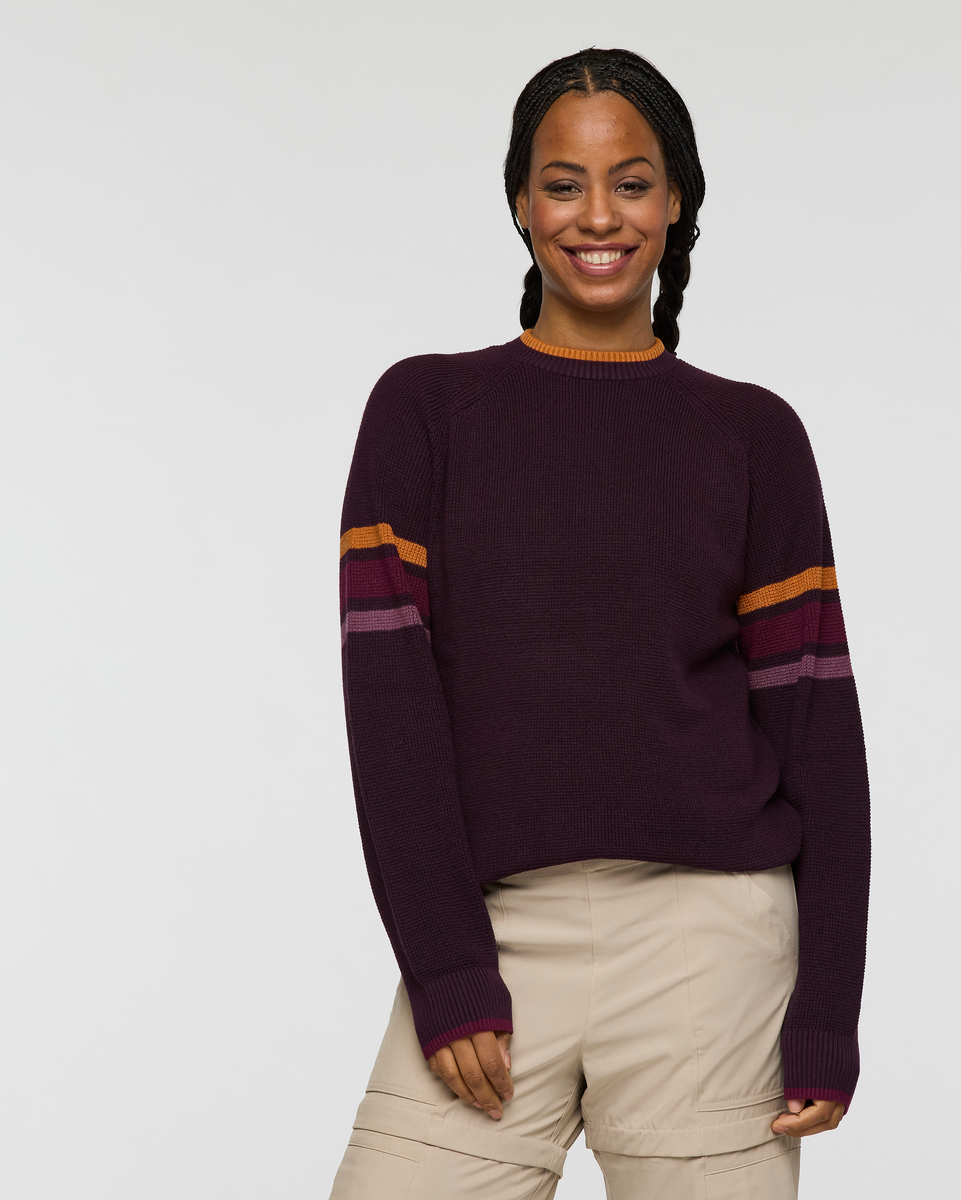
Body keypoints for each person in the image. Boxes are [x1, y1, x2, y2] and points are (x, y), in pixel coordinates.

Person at [329, 47, 870, 1200]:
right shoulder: (425, 411)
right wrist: (446, 965)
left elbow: (817, 730)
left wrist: (828, 1008)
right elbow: (391, 708)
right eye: (563, 184)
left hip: (709, 944)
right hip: (494, 926)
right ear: (520, 202)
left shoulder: (753, 436)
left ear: (677, 202)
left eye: (632, 183)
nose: (598, 217)